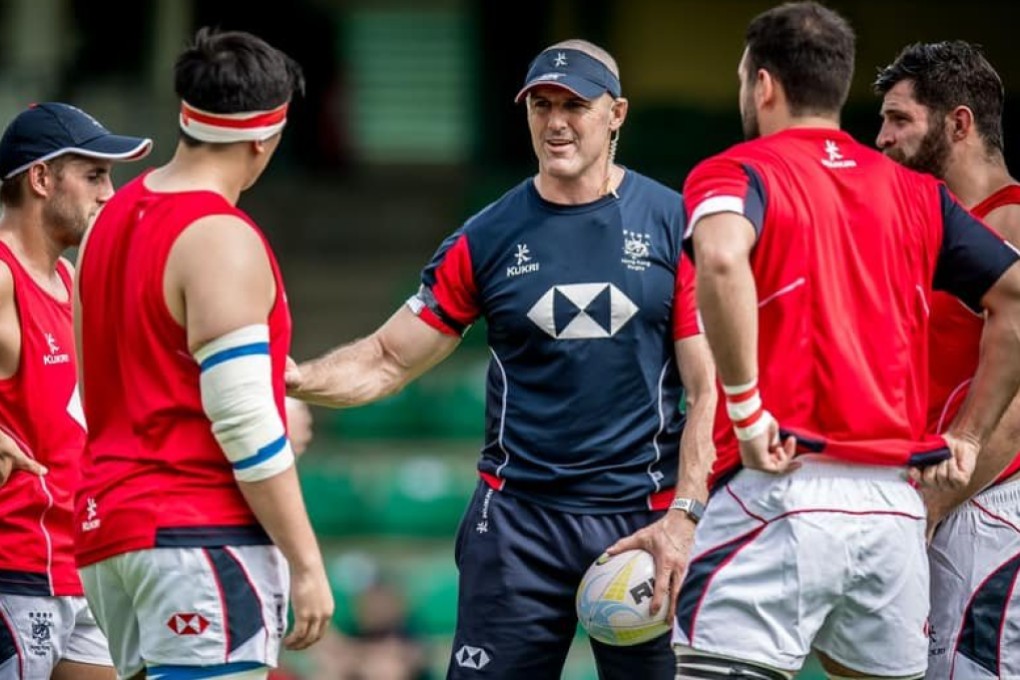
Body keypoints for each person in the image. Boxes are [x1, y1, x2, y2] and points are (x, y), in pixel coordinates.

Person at [287, 39, 717, 680]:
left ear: (617, 113)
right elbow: (386, 359)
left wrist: (685, 516)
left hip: (643, 521)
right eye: (542, 106)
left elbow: (708, 389)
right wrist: (294, 378)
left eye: (575, 105)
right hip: (519, 524)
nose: (556, 122)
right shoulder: (487, 236)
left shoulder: (674, 224)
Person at [673, 3, 1020, 679]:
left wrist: (745, 410)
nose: (885, 136)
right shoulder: (918, 198)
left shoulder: (738, 170)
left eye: (899, 119)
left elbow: (718, 258)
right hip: (894, 502)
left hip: (796, 481)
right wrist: (961, 448)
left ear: (763, 85)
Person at [73, 27, 334, 680]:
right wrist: (305, 562)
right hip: (197, 534)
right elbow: (243, 419)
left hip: (109, 535)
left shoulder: (108, 219)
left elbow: (101, 381)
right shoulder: (219, 236)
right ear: (265, 139)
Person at [875, 41, 1020, 679]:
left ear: (959, 123)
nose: (882, 138)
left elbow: (1016, 409)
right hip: (938, 504)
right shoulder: (935, 231)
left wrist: (932, 507)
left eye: (899, 119)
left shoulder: (1012, 225)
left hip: (988, 508)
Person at [0, 102, 150, 680]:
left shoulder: (70, 279)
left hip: (79, 565)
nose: (110, 194)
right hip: (15, 570)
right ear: (41, 179)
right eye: (94, 176)